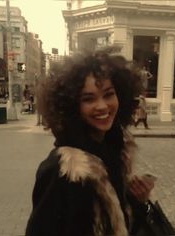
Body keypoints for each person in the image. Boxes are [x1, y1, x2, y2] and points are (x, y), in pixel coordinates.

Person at [25, 49, 155, 236]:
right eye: (88, 99)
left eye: (108, 94)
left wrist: (137, 199)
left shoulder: (114, 149)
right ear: (72, 106)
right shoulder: (62, 169)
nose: (102, 106)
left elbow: (119, 222)